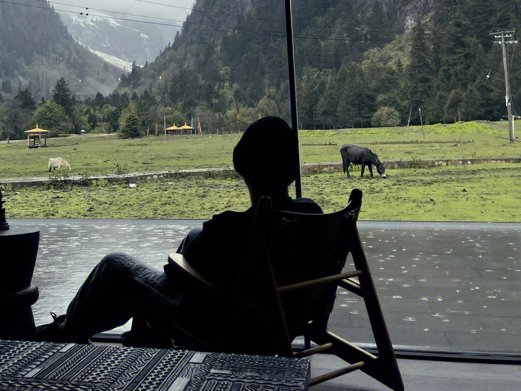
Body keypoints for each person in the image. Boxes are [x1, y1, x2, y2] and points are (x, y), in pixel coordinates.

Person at [37, 116, 322, 344]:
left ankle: (66, 331)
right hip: (274, 323)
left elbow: (178, 274)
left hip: (218, 320)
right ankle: (147, 333)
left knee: (113, 266)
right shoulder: (313, 215)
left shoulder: (232, 229)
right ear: (290, 171)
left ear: (245, 169)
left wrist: (187, 250)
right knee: (188, 241)